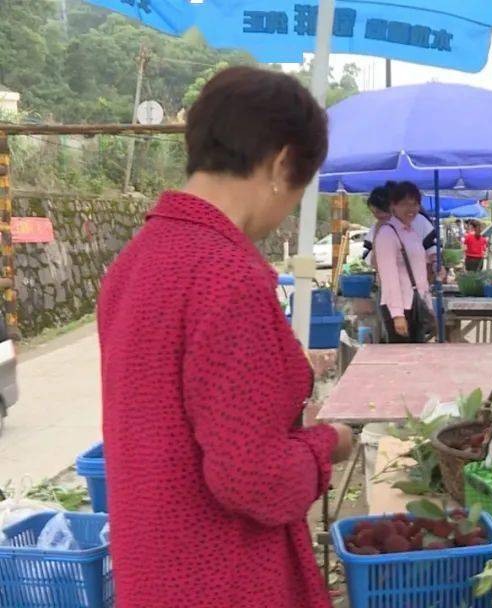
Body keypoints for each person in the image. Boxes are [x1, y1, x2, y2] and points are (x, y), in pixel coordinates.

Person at [97, 66, 354, 608]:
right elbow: (253, 476)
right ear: (283, 163)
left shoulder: (135, 261)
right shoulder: (227, 275)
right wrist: (328, 443)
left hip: (152, 569)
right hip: (222, 577)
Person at [374, 180, 435, 343]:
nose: (411, 209)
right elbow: (389, 277)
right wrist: (397, 315)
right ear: (393, 205)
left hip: (416, 304)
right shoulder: (387, 234)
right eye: (405, 204)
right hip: (400, 307)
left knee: (417, 359)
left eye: (414, 204)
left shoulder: (412, 232)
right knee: (402, 361)